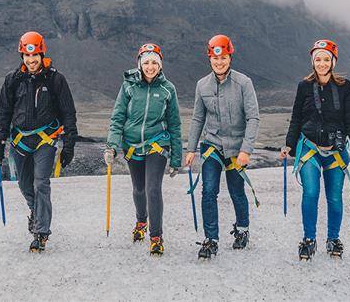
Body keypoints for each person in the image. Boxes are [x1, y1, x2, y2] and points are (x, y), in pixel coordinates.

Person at [0, 31, 78, 252]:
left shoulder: (55, 79)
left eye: (35, 56)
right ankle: (35, 211)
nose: (31, 61)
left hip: (45, 140)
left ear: (41, 53)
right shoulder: (12, 81)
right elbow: (3, 114)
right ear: (22, 56)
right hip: (20, 141)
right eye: (26, 57)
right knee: (24, 185)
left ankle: (41, 233)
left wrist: (69, 144)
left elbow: (68, 113)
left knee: (41, 183)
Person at [280, 39, 350, 260]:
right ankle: (309, 239)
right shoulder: (304, 87)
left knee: (334, 197)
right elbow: (296, 117)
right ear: (313, 62)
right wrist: (289, 144)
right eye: (318, 59)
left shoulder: (345, 87)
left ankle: (333, 238)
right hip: (309, 149)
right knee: (310, 193)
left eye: (326, 59)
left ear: (333, 62)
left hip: (335, 152)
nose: (322, 63)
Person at [185, 34, 260, 259]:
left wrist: (246, 150)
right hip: (212, 146)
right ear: (210, 58)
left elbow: (253, 118)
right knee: (208, 190)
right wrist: (190, 149)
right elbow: (198, 118)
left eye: (224, 57)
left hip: (237, 148)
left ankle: (243, 229)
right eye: (215, 58)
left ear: (230, 57)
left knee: (237, 191)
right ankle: (211, 239)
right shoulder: (202, 85)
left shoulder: (244, 83)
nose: (220, 62)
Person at [104, 43, 182, 255]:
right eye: (146, 62)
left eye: (154, 62)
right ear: (139, 63)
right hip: (132, 146)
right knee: (138, 190)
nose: (150, 66)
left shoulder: (168, 89)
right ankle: (141, 222)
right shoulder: (128, 86)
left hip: (157, 144)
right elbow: (118, 117)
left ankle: (156, 236)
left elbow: (175, 124)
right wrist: (111, 145)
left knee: (152, 189)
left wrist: (176, 159)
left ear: (160, 65)